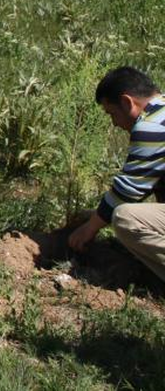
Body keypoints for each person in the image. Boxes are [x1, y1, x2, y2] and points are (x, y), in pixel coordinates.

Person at [69, 66, 165, 281]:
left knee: (126, 218)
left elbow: (129, 190)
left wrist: (89, 229)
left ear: (127, 102)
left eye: (111, 113)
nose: (114, 123)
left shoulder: (152, 125)